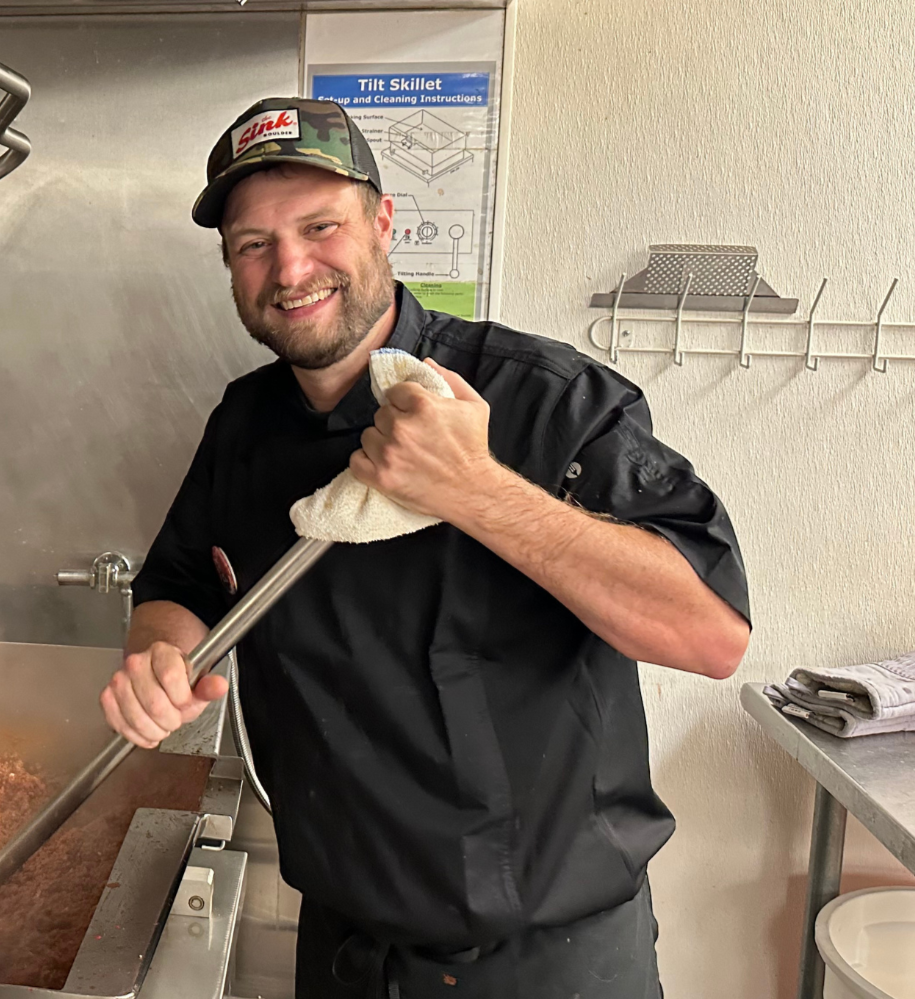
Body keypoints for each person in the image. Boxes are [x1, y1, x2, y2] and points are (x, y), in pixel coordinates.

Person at [102, 98, 752, 998]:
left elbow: (711, 633)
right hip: (341, 949)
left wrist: (477, 492)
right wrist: (158, 652)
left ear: (382, 222)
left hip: (547, 964)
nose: (290, 268)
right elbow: (176, 586)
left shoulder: (542, 398)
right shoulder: (243, 424)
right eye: (254, 244)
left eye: (320, 226)